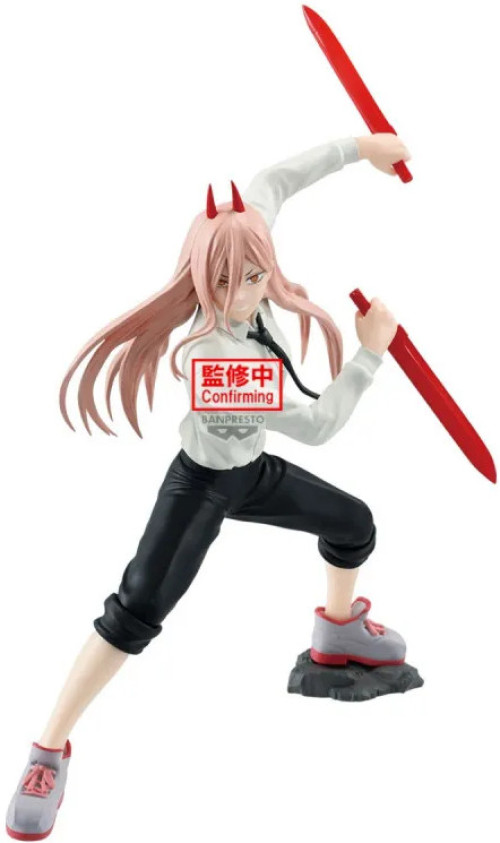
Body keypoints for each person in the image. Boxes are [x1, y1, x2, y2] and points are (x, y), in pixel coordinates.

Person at [6, 131, 411, 840]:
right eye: (227, 283)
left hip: (252, 472)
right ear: (200, 278)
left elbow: (276, 180)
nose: (246, 292)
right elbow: (319, 424)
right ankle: (47, 749)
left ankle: (336, 631)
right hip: (202, 485)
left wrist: (360, 148)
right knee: (134, 612)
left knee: (354, 524)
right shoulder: (215, 362)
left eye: (256, 275)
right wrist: (369, 354)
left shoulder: (243, 244)